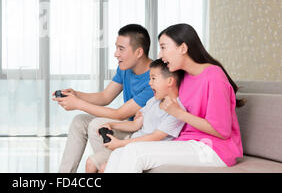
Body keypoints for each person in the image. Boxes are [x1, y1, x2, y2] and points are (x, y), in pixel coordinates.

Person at [104, 23, 244, 173]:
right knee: (120, 152)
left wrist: (178, 113)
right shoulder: (184, 77)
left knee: (134, 152)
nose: (159, 55)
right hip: (185, 142)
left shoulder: (214, 76)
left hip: (212, 149)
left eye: (164, 47)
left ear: (182, 48)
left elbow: (221, 130)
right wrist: (144, 115)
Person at [54, 24, 154, 173]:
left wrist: (78, 104)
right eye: (116, 48)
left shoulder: (154, 78)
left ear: (139, 52)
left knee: (97, 123)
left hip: (139, 130)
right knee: (79, 121)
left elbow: (120, 114)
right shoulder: (124, 68)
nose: (116, 54)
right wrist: (76, 94)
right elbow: (105, 96)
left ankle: (108, 166)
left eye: (121, 49)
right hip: (127, 125)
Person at [86, 59, 186, 173]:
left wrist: (120, 144)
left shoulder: (177, 111)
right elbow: (135, 124)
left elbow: (154, 137)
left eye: (153, 78)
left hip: (145, 150)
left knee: (104, 167)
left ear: (169, 81)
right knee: (97, 165)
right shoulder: (153, 101)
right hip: (133, 146)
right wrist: (112, 124)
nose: (150, 83)